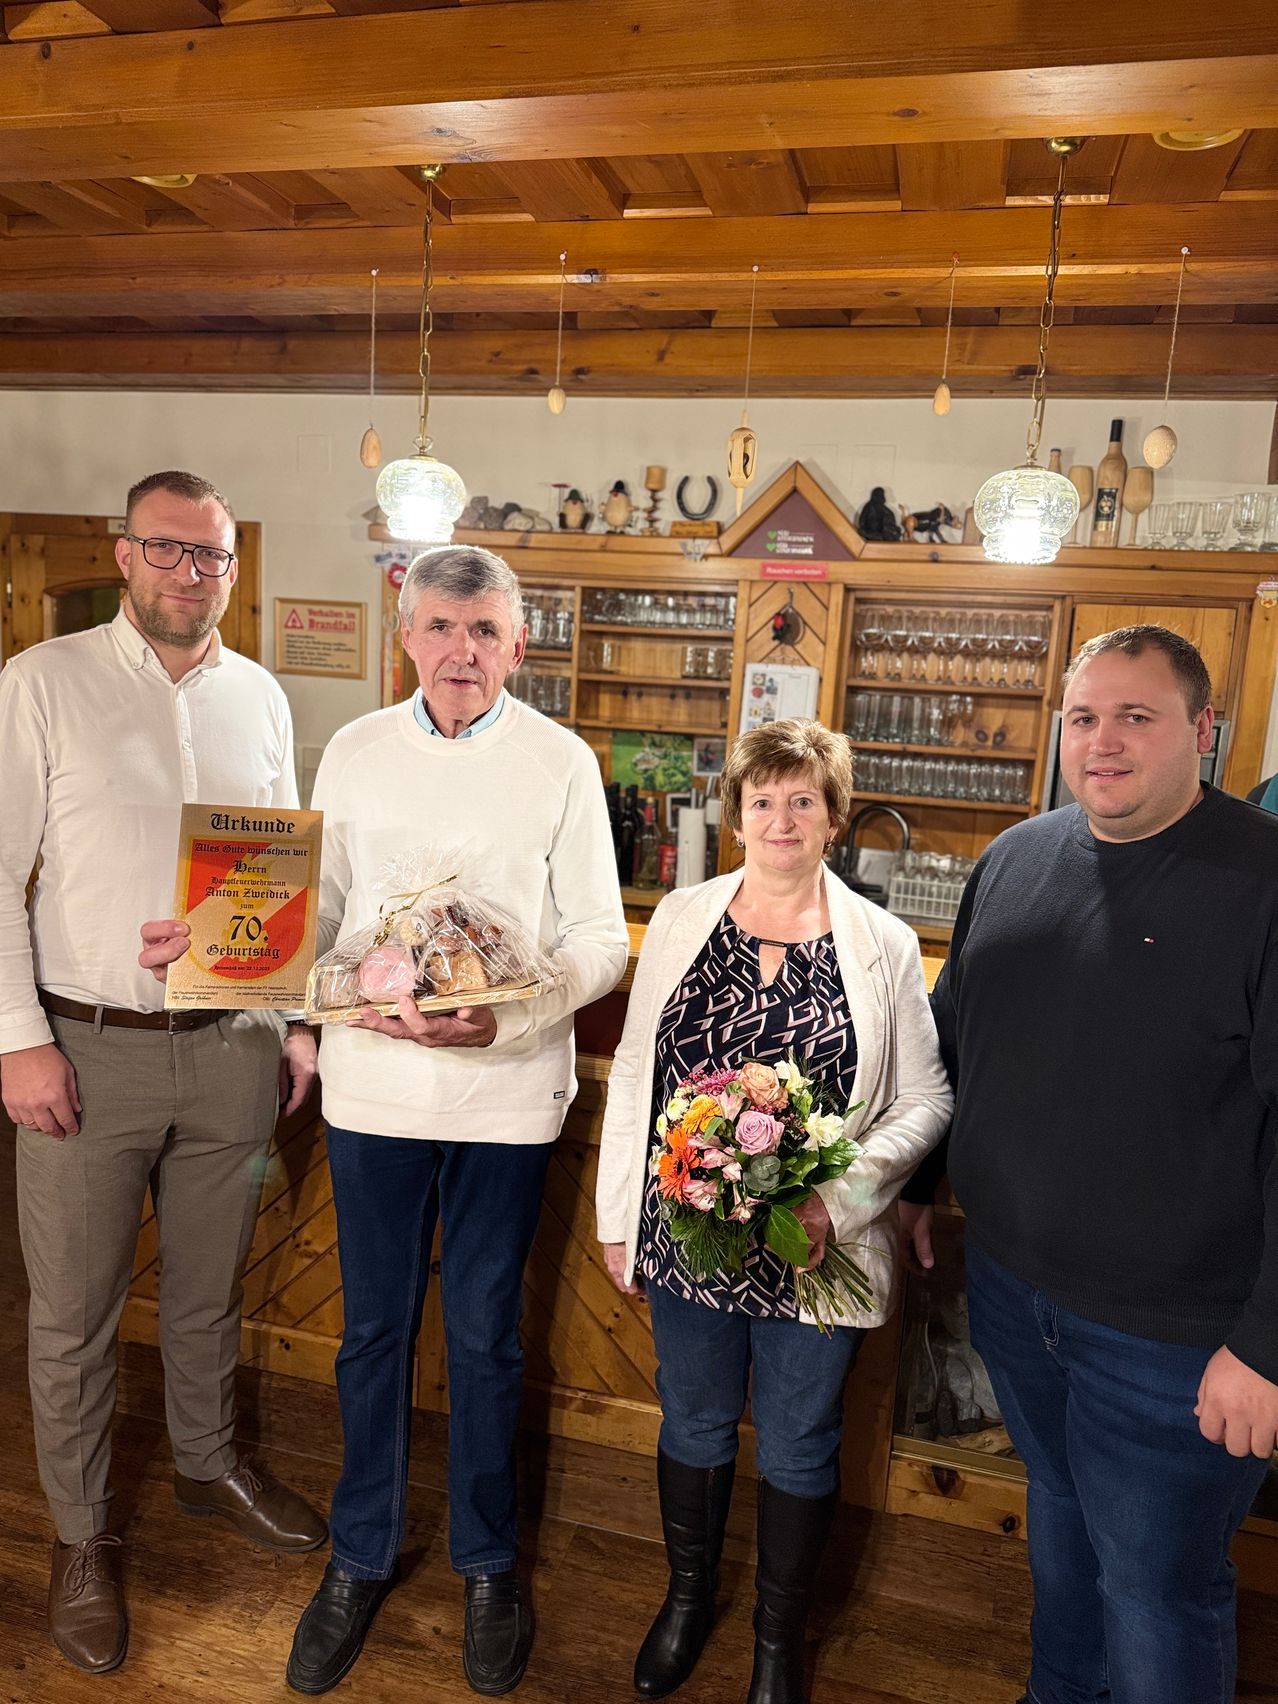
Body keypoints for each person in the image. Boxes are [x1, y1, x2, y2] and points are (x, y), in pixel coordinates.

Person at [901, 625, 1278, 1704]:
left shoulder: (1264, 882)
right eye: (1084, 717)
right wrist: (920, 1182)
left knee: (1158, 1591)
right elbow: (954, 1035)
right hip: (1014, 1296)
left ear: (1202, 730)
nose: (1103, 741)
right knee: (1061, 1528)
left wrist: (1267, 1344)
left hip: (1179, 1337)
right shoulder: (1016, 858)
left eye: (1136, 716)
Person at [284, 545, 628, 1696]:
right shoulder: (354, 750)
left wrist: (510, 1014)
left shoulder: (561, 763)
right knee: (371, 1334)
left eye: (484, 630)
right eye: (440, 626)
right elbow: (315, 917)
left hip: (507, 1100)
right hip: (371, 1093)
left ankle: (487, 1564)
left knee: (485, 1339)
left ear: (518, 643)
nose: (461, 650)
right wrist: (229, 951)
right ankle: (359, 1556)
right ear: (407, 636)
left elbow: (600, 939)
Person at [0, 471, 326, 1677]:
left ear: (233, 569)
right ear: (124, 553)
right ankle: (82, 1537)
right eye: (169, 550)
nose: (193, 574)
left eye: (213, 556)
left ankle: (205, 1465)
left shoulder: (261, 697)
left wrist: (292, 1021)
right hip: (85, 1050)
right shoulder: (41, 683)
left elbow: (278, 878)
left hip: (233, 1049)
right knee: (73, 1320)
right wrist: (17, 1038)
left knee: (204, 1295)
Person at [596, 719, 951, 1704]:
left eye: (804, 800)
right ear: (738, 813)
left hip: (815, 1250)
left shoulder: (882, 943)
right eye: (764, 800)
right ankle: (687, 1600)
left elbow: (928, 1098)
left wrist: (840, 1199)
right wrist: (618, 1218)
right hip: (689, 1229)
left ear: (834, 818)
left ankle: (777, 1640)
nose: (782, 819)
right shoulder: (681, 917)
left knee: (799, 1437)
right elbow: (634, 1070)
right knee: (694, 1417)